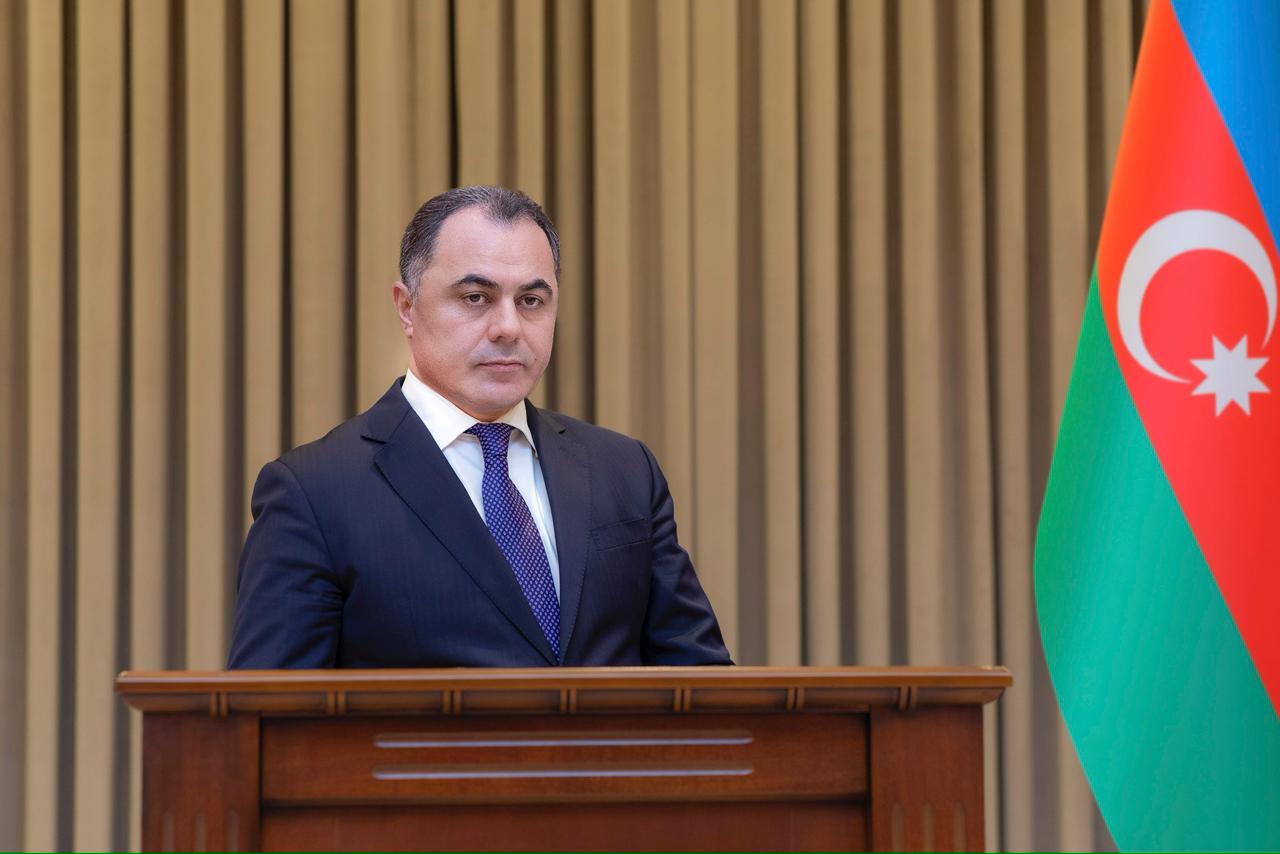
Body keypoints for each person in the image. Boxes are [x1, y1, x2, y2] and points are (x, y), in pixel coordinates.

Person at [228, 186, 730, 668]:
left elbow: (702, 681)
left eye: (531, 301)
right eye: (475, 297)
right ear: (407, 307)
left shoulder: (624, 470)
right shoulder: (313, 493)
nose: (508, 328)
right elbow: (272, 711)